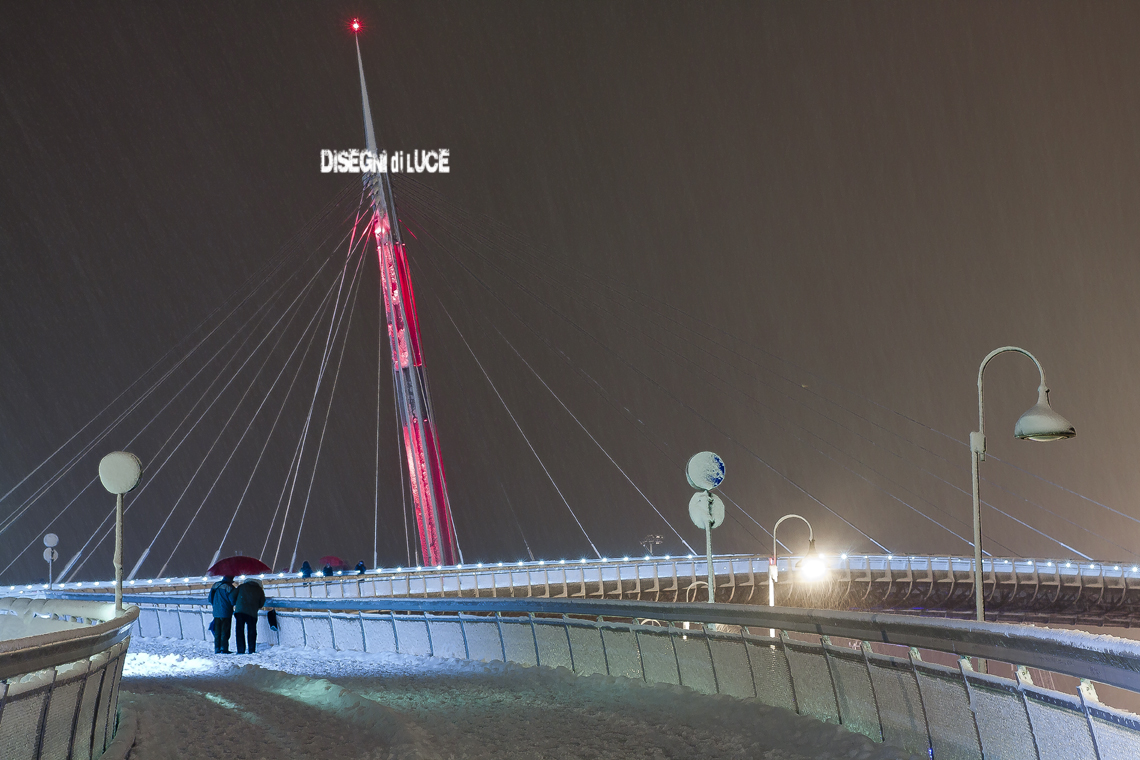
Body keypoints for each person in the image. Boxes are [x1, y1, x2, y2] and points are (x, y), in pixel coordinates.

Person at [234, 578, 266, 654]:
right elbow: (262, 602)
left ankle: (240, 650)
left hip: (240, 611)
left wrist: (238, 604)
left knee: (239, 631)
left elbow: (233, 597)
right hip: (252, 612)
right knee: (252, 631)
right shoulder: (259, 589)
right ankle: (251, 649)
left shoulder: (241, 587)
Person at [208, 575, 236, 654]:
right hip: (226, 612)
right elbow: (232, 600)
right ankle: (224, 648)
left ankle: (217, 648)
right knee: (225, 630)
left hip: (216, 612)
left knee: (217, 631)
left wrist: (216, 605)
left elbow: (210, 599)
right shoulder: (229, 587)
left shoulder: (215, 585)